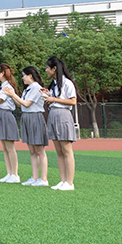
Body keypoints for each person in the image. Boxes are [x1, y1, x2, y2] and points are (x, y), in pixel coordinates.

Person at [5, 67, 49, 187]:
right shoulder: (27, 90)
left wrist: (14, 94)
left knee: (39, 150)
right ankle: (35, 177)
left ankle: (43, 179)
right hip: (26, 117)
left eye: (24, 75)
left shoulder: (37, 88)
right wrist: (12, 96)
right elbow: (21, 105)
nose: (22, 77)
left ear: (30, 75)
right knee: (32, 150)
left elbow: (27, 104)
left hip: (35, 117)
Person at [43, 56, 77, 191]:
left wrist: (54, 99)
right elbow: (53, 99)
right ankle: (63, 180)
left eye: (47, 68)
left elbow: (73, 101)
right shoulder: (54, 84)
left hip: (63, 115)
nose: (46, 70)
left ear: (54, 68)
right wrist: (48, 96)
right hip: (53, 114)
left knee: (67, 150)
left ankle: (70, 182)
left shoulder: (67, 83)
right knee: (59, 151)